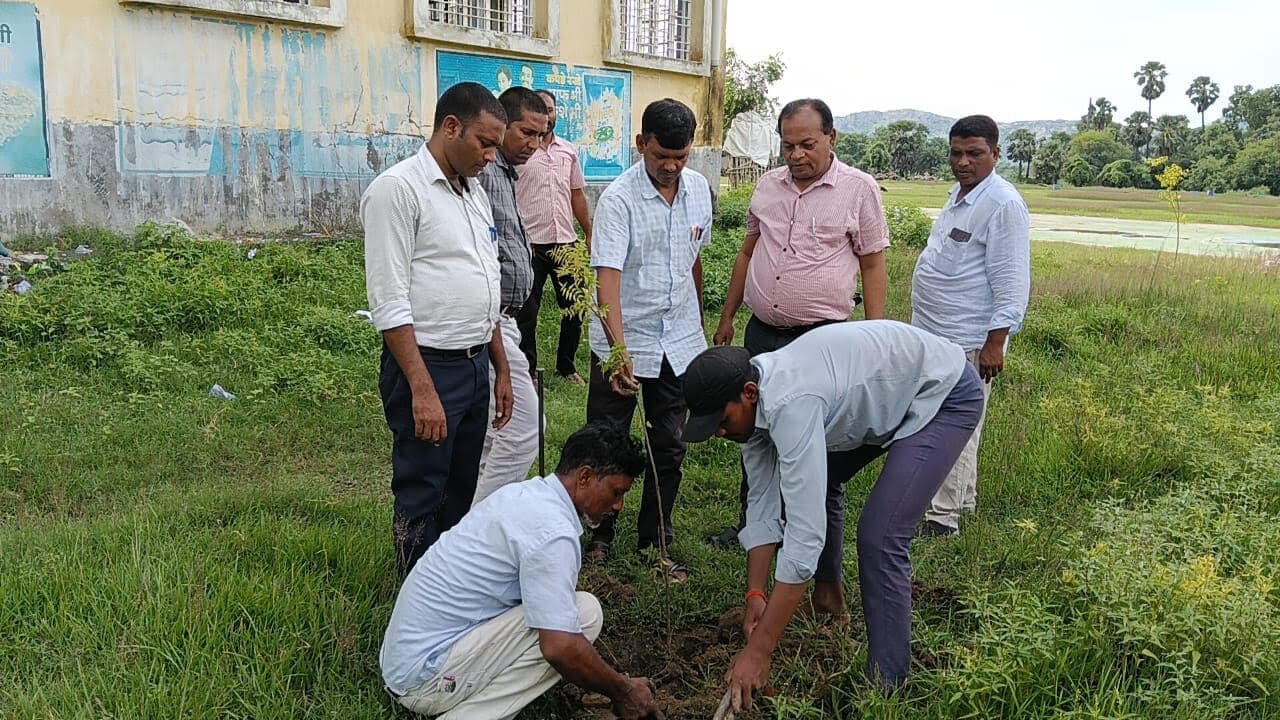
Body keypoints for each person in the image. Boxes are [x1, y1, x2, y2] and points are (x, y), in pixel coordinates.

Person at [680, 321, 985, 704]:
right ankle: (827, 599)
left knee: (881, 536)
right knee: (817, 481)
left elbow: (804, 540)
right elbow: (761, 504)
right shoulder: (753, 409)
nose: (721, 434)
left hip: (942, 392)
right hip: (880, 397)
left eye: (722, 422)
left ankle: (887, 690)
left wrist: (760, 649)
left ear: (750, 392)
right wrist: (756, 593)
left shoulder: (792, 403)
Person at [380, 424, 663, 720]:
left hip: (403, 659)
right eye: (616, 492)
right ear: (585, 476)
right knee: (583, 615)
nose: (618, 505)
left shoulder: (526, 494)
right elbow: (560, 647)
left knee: (562, 615)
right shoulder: (552, 533)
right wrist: (624, 691)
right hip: (424, 676)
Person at [707, 97, 891, 549]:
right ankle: (755, 527)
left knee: (816, 441)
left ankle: (809, 533)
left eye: (807, 144)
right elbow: (748, 251)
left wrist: (875, 337)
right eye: (788, 145)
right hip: (764, 333)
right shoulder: (768, 186)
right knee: (757, 433)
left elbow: (872, 265)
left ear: (831, 138)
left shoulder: (858, 188)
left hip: (822, 339)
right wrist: (728, 315)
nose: (796, 156)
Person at [361, 81, 514, 576]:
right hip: (428, 366)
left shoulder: (473, 192)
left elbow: (485, 282)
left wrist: (501, 367)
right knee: (423, 484)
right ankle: (414, 597)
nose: (492, 156)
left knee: (460, 483)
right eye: (485, 143)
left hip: (474, 365)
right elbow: (389, 302)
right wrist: (421, 389)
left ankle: (446, 584)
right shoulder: (398, 191)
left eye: (496, 145)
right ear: (451, 127)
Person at [584, 98, 713, 582]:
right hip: (626, 342)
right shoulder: (619, 199)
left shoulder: (699, 190)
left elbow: (693, 258)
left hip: (679, 342)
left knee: (670, 444)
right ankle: (599, 535)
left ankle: (654, 537)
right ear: (641, 144)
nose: (672, 166)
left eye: (681, 157)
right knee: (607, 442)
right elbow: (608, 280)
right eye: (662, 156)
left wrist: (697, 322)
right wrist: (619, 352)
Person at [911, 115, 1031, 538]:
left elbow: (1012, 281)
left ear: (996, 154)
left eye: (975, 153)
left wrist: (995, 342)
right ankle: (962, 502)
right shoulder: (960, 196)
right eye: (957, 153)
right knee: (951, 420)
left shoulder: (1002, 204)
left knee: (955, 424)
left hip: (968, 341)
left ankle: (943, 520)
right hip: (935, 333)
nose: (963, 162)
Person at [472, 88, 550, 506]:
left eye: (542, 135)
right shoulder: (482, 171)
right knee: (523, 430)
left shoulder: (505, 172)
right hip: (489, 320)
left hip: (508, 320)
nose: (534, 145)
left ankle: (467, 525)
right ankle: (478, 532)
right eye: (526, 133)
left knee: (493, 436)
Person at [515, 89, 594, 386]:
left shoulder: (568, 151)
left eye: (550, 109)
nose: (547, 115)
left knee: (575, 308)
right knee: (526, 313)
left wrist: (588, 231)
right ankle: (528, 370)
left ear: (556, 112)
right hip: (529, 246)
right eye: (541, 109)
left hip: (566, 243)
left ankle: (566, 365)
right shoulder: (520, 152)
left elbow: (576, 194)